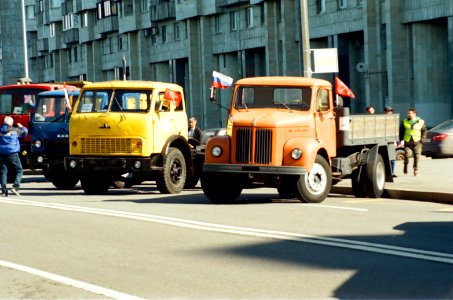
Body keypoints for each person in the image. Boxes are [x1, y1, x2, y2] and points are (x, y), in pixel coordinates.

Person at [0, 116, 28, 196]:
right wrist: (22, 126)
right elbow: (25, 133)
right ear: (11, 123)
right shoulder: (15, 130)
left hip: (1, 153)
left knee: (3, 172)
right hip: (12, 153)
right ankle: (15, 187)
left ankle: (4, 190)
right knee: (19, 170)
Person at [399, 108, 426, 176]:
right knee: (407, 155)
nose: (408, 114)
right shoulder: (405, 121)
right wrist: (400, 140)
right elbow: (401, 131)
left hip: (417, 142)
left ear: (414, 114)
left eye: (409, 113)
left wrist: (422, 139)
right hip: (407, 142)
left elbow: (424, 131)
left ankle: (415, 170)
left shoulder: (421, 121)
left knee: (417, 157)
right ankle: (405, 166)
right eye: (408, 113)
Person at [384, 106, 397, 177]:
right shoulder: (383, 119)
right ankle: (387, 172)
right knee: (387, 158)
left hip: (392, 140)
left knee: (392, 158)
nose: (390, 112)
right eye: (388, 111)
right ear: (385, 112)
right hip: (385, 141)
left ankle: (392, 172)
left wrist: (396, 140)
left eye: (391, 111)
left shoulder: (394, 119)